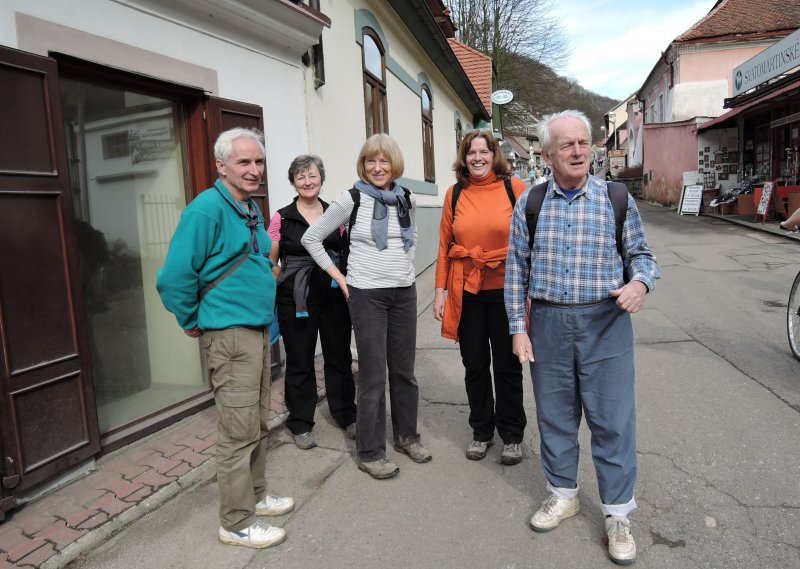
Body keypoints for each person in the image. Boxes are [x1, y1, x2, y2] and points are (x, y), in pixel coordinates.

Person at [504, 110, 660, 565]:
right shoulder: (530, 203)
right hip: (548, 323)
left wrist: (639, 284)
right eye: (567, 145)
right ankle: (563, 494)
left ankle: (616, 515)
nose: (577, 151)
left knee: (612, 421)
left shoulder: (616, 199)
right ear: (547, 154)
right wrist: (518, 328)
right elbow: (516, 270)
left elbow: (642, 256)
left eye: (583, 143)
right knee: (555, 417)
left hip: (605, 323)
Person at [157, 128, 294, 550]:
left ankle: (254, 496)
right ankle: (235, 522)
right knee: (237, 430)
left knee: (256, 421)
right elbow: (173, 277)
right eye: (244, 162)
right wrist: (191, 317)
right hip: (230, 334)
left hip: (254, 330)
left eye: (259, 162)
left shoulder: (245, 207)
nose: (254, 170)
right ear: (222, 166)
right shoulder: (207, 210)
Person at [302, 133, 431, 480]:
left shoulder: (406, 198)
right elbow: (310, 237)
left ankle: (407, 436)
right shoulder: (352, 198)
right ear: (364, 164)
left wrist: (405, 267)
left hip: (403, 292)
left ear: (394, 164)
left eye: (384, 161)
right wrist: (340, 278)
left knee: (404, 371)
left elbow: (412, 235)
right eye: (371, 161)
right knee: (373, 374)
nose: (377, 167)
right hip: (366, 294)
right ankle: (371, 452)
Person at [433, 130, 527, 465]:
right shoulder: (454, 193)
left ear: (493, 154)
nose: (477, 158)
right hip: (466, 291)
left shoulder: (513, 188)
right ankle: (482, 431)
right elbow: (444, 247)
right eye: (471, 152)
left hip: (507, 291)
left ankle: (512, 435)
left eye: (483, 152)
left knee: (507, 365)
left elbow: (532, 241)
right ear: (464, 156)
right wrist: (439, 291)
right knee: (474, 365)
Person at [268, 155, 357, 449]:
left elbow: (345, 253)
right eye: (301, 177)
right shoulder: (282, 216)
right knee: (299, 361)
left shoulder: (336, 214)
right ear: (294, 181)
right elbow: (271, 261)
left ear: (321, 179)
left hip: (333, 296)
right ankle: (301, 423)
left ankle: (346, 415)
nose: (307, 182)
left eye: (312, 176)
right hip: (295, 301)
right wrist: (289, 282)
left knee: (339, 357)